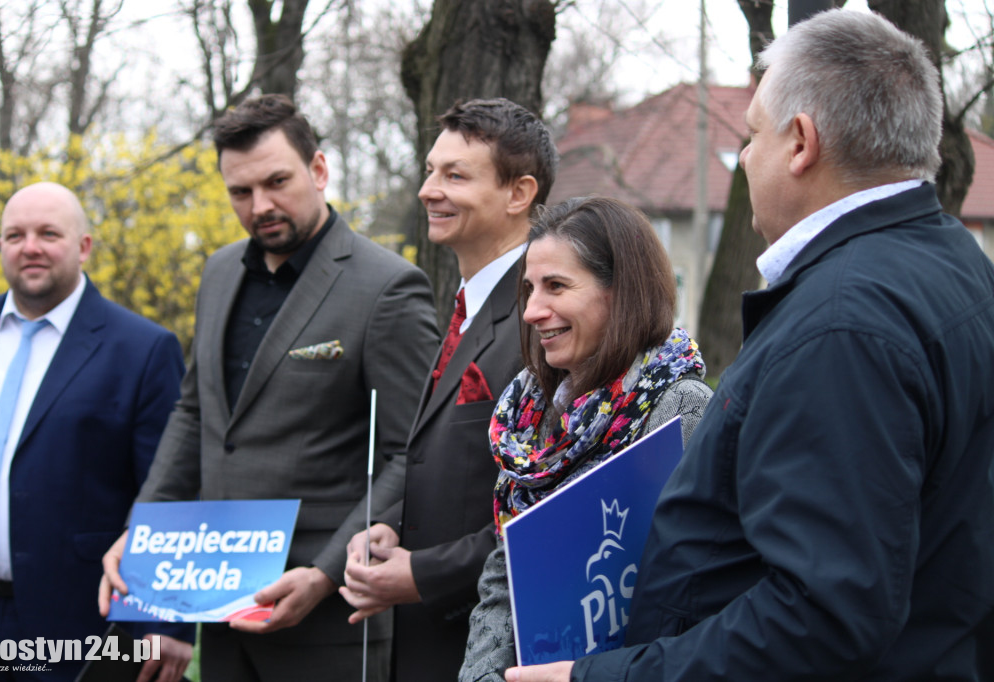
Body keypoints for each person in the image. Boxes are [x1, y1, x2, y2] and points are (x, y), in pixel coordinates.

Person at [507, 10, 994, 682]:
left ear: (800, 143)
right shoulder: (954, 265)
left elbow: (821, 616)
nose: (743, 159)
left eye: (751, 137)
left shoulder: (842, 322)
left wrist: (599, 678)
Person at [98, 94, 439, 681]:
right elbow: (194, 414)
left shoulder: (388, 288)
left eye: (277, 181)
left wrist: (329, 573)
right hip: (222, 608)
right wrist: (143, 529)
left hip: (329, 619)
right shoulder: (219, 271)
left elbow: (412, 454)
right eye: (240, 192)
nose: (261, 206)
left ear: (320, 170)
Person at [339, 98, 557, 681]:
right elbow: (442, 461)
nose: (428, 190)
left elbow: (548, 506)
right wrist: (390, 525)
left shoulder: (541, 321)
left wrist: (423, 573)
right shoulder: (468, 308)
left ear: (519, 193)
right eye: (431, 171)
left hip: (492, 648)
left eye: (455, 175)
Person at [456, 196, 711, 681]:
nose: (531, 311)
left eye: (556, 286)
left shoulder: (683, 410)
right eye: (529, 289)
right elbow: (507, 570)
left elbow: (700, 592)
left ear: (622, 292)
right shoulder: (533, 415)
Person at [0, 182, 193, 682]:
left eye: (49, 233)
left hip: (76, 622)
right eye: (15, 235)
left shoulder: (142, 349)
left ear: (84, 247)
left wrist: (164, 617)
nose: (30, 247)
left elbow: (172, 488)